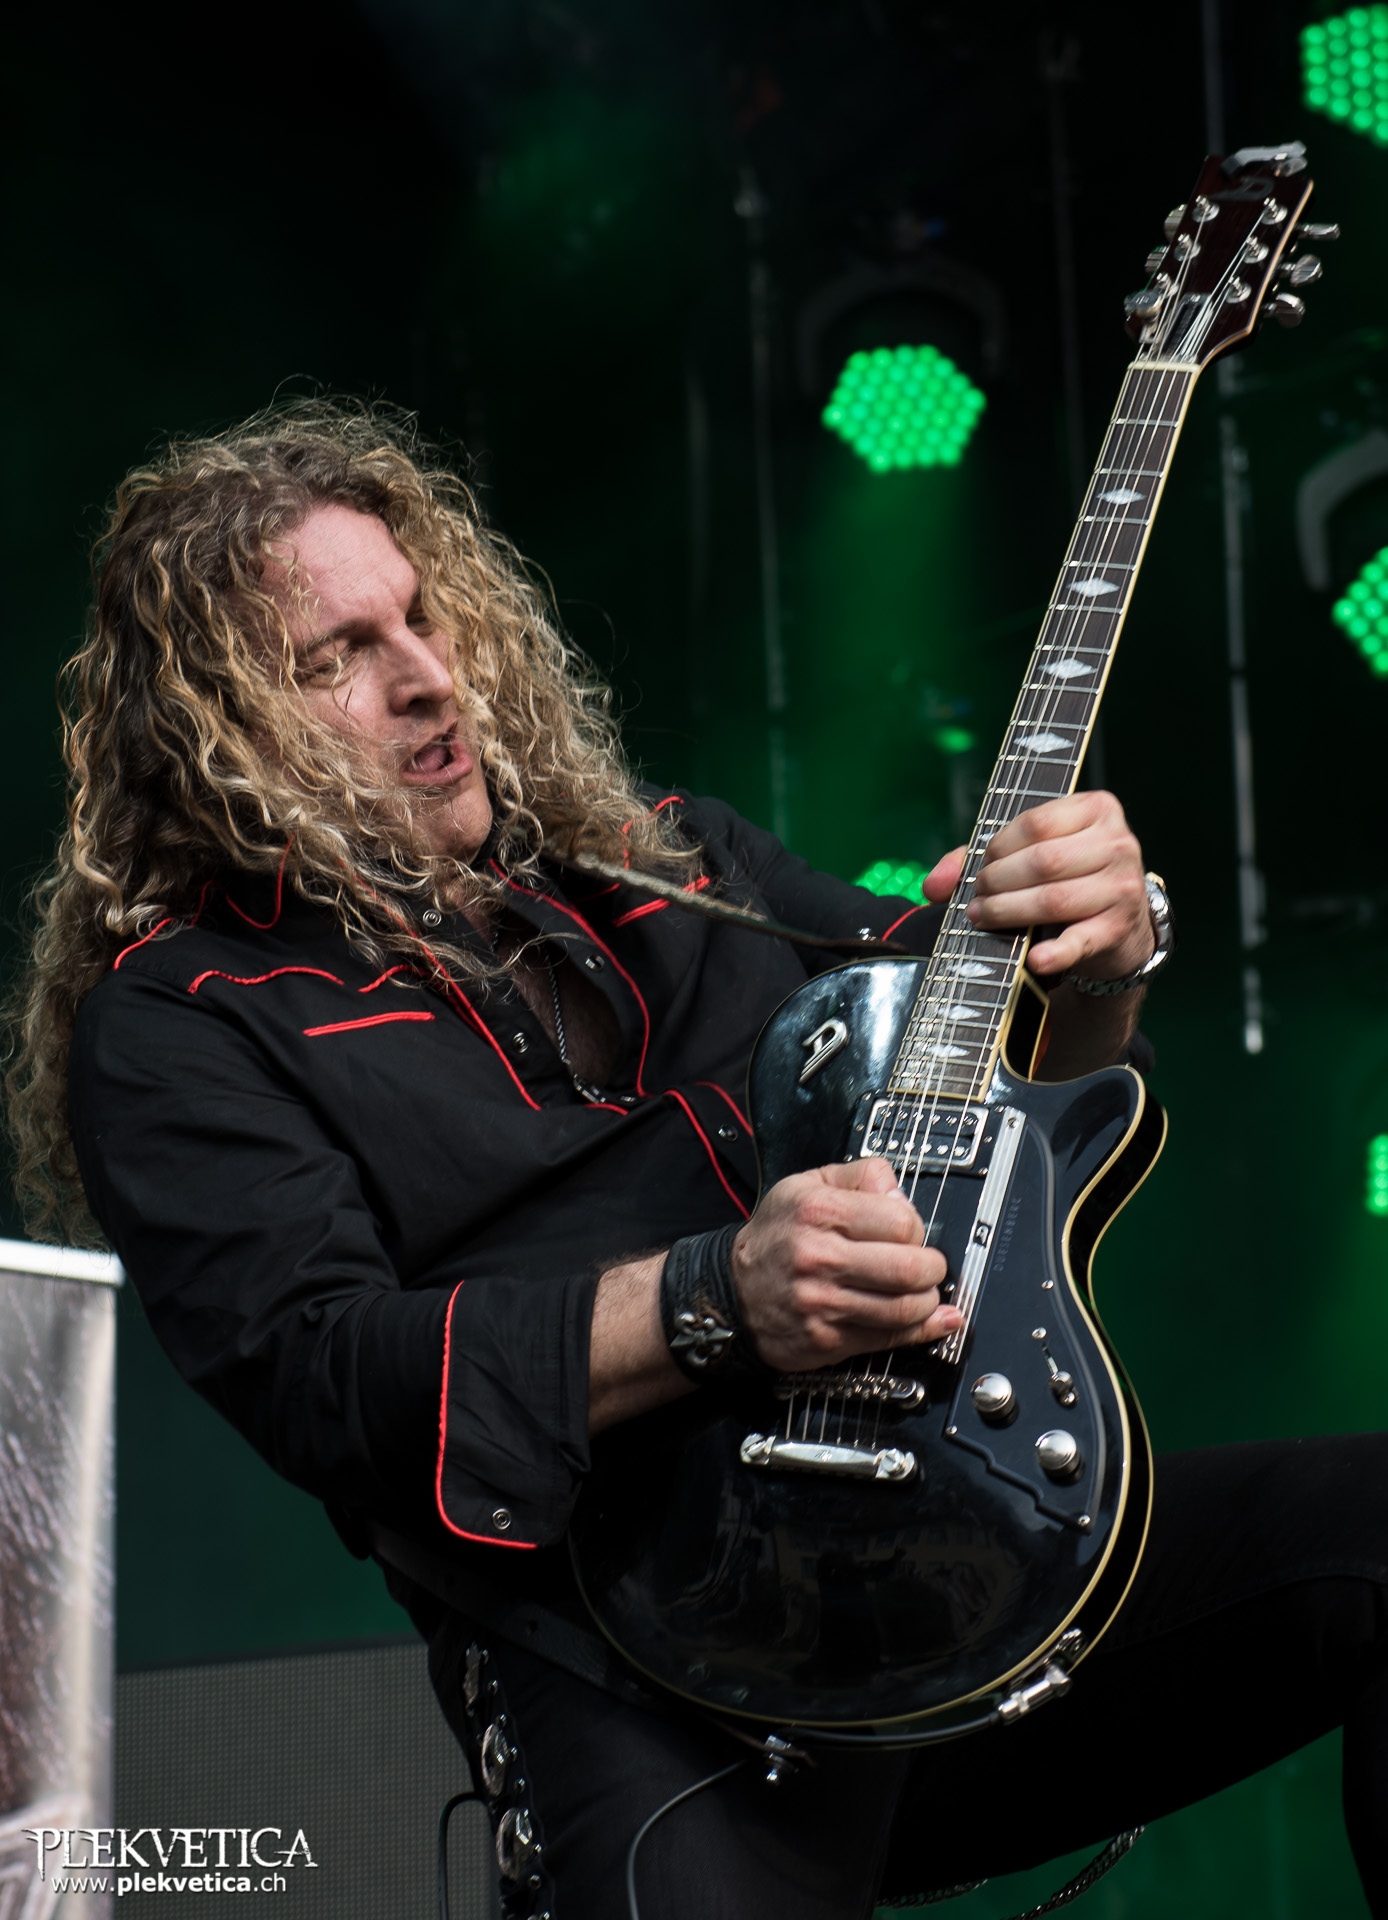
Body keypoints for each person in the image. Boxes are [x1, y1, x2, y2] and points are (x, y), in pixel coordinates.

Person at [8, 404, 1387, 1920]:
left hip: (978, 1550)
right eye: (336, 655)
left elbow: (1009, 1075)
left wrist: (1106, 951)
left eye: (419, 617)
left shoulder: (683, 857)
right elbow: (323, 1376)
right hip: (649, 1672)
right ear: (215, 738)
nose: (424, 676)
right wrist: (715, 1296)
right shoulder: (182, 1020)